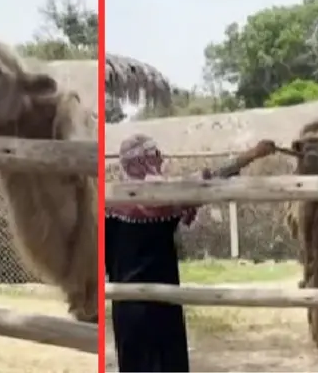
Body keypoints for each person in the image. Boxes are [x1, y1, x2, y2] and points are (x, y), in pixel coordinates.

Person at [106, 134, 276, 372]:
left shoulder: (109, 202)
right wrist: (251, 155)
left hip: (124, 308)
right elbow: (208, 180)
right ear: (143, 159)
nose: (161, 158)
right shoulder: (163, 196)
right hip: (161, 303)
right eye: (155, 154)